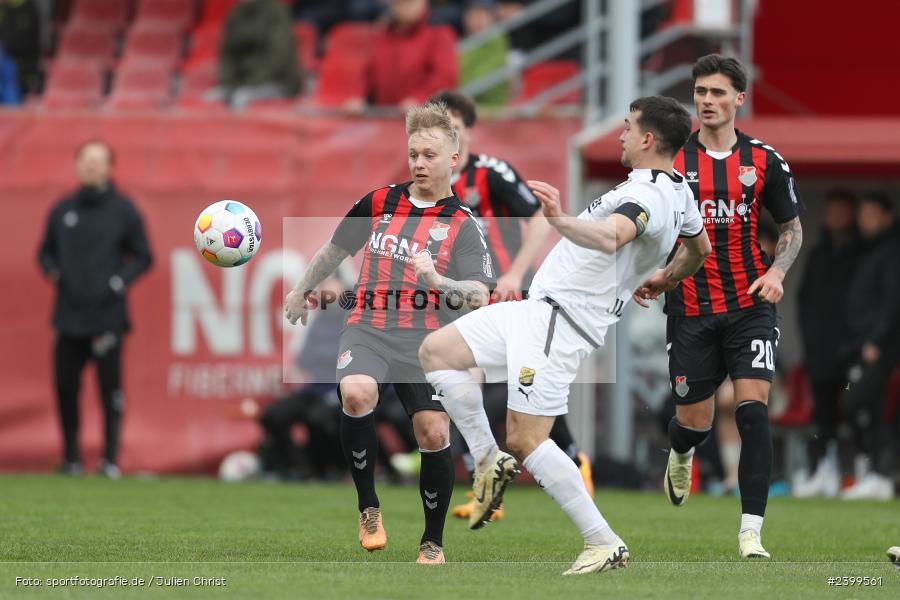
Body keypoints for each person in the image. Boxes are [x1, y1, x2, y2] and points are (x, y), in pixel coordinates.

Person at [420, 96, 711, 575]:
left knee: (526, 439)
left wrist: (558, 218)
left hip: (562, 321)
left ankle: (602, 541)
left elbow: (613, 235)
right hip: (538, 309)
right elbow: (699, 247)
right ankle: (487, 459)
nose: (620, 134)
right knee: (437, 352)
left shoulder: (651, 195)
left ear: (647, 139)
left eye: (627, 126)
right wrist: (664, 277)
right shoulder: (678, 190)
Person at [284, 102, 494, 564]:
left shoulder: (464, 224)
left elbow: (479, 294)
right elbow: (335, 249)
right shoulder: (379, 202)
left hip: (427, 343)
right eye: (413, 154)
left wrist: (438, 281)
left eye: (429, 155)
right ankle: (368, 508)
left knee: (433, 431)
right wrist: (302, 289)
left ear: (453, 158)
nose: (419, 163)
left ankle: (432, 542)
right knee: (356, 393)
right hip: (369, 327)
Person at [647, 55, 803, 559]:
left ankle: (751, 530)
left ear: (739, 98)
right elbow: (648, 227)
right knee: (694, 421)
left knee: (752, 410)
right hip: (690, 306)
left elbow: (791, 227)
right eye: (700, 92)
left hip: (749, 303)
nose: (707, 101)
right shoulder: (672, 162)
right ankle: (681, 450)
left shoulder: (765, 160)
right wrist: (652, 275)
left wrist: (776, 272)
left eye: (717, 92)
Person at [429, 90, 594, 523]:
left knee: (528, 389)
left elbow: (539, 216)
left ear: (467, 132)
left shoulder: (492, 173)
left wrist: (516, 274)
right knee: (463, 385)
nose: (448, 138)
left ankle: (575, 460)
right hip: (464, 300)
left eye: (455, 129)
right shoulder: (428, 183)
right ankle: (485, 483)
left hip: (509, 296)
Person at [37, 140, 153, 478]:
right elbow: (44, 253)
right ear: (76, 165)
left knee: (109, 389)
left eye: (97, 160)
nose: (90, 166)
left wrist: (119, 281)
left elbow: (144, 256)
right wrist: (53, 272)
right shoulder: (62, 210)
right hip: (68, 315)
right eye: (85, 159)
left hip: (107, 316)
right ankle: (71, 458)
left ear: (109, 167)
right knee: (65, 387)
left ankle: (110, 460)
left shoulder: (124, 210)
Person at [793, 190, 859, 497]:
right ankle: (824, 469)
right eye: (832, 211)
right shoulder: (818, 253)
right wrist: (811, 341)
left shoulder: (862, 251)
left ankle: (858, 471)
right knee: (823, 415)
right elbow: (805, 301)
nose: (836, 217)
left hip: (853, 350)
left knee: (855, 409)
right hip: (821, 350)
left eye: (841, 211)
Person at [839, 193, 899, 501]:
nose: (864, 220)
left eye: (871, 214)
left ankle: (882, 474)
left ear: (886, 217)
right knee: (858, 405)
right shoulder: (863, 249)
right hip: (858, 345)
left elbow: (892, 301)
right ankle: (871, 472)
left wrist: (876, 339)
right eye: (861, 214)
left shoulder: (892, 251)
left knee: (867, 405)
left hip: (881, 347)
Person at [346, 0, 458, 112]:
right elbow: (368, 73)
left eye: (409, 2)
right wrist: (359, 97)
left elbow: (445, 77)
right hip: (385, 115)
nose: (403, 6)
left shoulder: (439, 32)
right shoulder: (383, 33)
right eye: (398, 3)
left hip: (422, 117)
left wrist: (419, 98)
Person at [211, 0, 302, 110]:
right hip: (243, 82)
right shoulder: (236, 14)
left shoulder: (276, 11)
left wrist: (250, 83)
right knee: (212, 98)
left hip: (277, 81)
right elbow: (227, 54)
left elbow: (279, 55)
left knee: (240, 98)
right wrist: (227, 82)